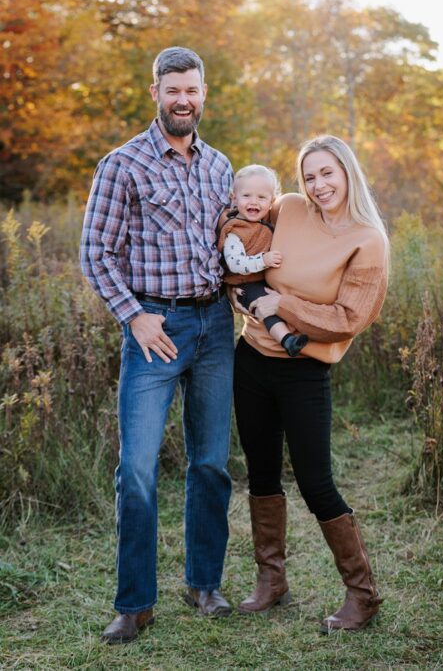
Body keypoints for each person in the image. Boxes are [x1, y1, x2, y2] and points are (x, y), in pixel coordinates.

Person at [80, 47, 236, 644]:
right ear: (156, 93)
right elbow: (96, 253)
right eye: (173, 90)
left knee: (211, 463)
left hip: (217, 329)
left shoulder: (220, 166)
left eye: (192, 90)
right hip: (155, 331)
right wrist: (136, 318)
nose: (183, 99)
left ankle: (204, 583)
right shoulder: (122, 164)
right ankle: (135, 603)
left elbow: (233, 246)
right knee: (138, 471)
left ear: (203, 94)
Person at [232, 135, 391, 633]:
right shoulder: (290, 209)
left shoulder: (368, 239)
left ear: (347, 173)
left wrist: (283, 306)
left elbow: (348, 318)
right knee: (260, 471)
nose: (318, 185)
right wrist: (244, 290)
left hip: (305, 370)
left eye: (328, 173)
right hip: (252, 357)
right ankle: (271, 581)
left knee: (315, 480)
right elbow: (246, 229)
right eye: (310, 176)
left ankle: (362, 595)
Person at [217, 164, 308, 356]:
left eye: (261, 197)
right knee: (266, 306)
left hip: (260, 279)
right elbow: (235, 264)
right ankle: (287, 340)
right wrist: (263, 260)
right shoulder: (235, 231)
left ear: (271, 201)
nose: (254, 202)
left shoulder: (265, 226)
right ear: (234, 198)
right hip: (245, 284)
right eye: (246, 195)